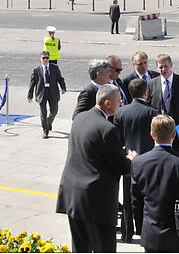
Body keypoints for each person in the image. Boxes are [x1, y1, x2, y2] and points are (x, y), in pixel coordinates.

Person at [56, 85, 137, 253]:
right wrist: (131, 160)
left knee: (80, 248)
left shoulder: (80, 118)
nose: (121, 103)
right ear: (107, 103)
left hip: (74, 196)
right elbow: (123, 167)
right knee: (104, 249)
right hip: (96, 202)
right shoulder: (108, 130)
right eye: (118, 100)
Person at [131, 115, 179, 252]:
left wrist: (140, 228)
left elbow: (136, 201)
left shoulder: (138, 163)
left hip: (151, 235)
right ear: (174, 135)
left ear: (152, 135)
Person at [114, 78, 159, 243]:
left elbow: (117, 139)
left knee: (128, 199)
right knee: (147, 200)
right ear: (146, 93)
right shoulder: (153, 112)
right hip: (148, 164)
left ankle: (127, 234)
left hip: (129, 163)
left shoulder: (121, 112)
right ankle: (144, 232)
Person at [146, 54, 179, 152]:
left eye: (166, 66)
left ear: (171, 65)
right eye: (160, 67)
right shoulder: (152, 84)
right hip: (159, 128)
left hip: (178, 127)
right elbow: (148, 105)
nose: (163, 69)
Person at [27, 51, 67, 139]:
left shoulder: (54, 68)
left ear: (49, 58)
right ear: (40, 59)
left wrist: (63, 88)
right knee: (43, 114)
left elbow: (60, 79)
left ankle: (49, 122)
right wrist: (30, 95)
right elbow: (32, 83)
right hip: (42, 93)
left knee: (54, 111)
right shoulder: (36, 69)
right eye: (43, 58)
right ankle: (45, 131)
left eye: (47, 58)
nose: (45, 60)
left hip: (53, 92)